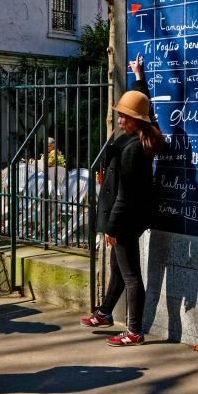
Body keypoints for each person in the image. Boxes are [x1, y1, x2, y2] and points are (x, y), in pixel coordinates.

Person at [80, 56, 164, 346]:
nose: (119, 119)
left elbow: (124, 195)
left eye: (124, 116)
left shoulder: (131, 150)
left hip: (125, 220)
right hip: (130, 217)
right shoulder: (142, 134)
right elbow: (145, 106)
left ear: (134, 121)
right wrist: (139, 77)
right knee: (118, 267)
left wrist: (111, 229)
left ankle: (134, 332)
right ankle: (104, 313)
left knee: (130, 276)